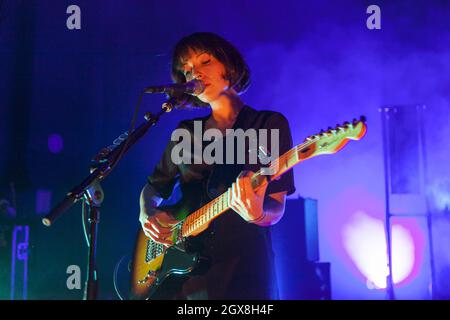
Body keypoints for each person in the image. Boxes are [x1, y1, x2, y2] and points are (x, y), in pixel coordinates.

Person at [138, 32, 295, 300]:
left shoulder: (267, 124)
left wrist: (257, 213)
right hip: (187, 269)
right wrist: (146, 215)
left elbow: (277, 206)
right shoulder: (186, 132)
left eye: (205, 61)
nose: (195, 73)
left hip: (243, 265)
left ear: (228, 66)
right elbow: (153, 187)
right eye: (187, 70)